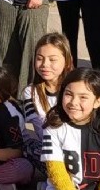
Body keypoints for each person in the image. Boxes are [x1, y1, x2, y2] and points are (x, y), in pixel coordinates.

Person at [21, 32, 74, 181]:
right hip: (52, 149)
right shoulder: (30, 92)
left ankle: (55, 184)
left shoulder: (77, 88)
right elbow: (40, 129)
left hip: (77, 149)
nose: (45, 65)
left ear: (67, 61)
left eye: (52, 60)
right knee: (27, 146)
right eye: (40, 59)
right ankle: (60, 181)